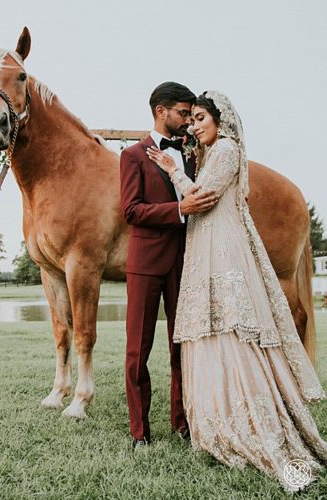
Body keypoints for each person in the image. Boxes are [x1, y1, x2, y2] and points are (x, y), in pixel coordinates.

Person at [146, 90, 327, 492]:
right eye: (190, 120)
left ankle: (252, 421)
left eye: (200, 119)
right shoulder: (214, 152)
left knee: (231, 325)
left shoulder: (226, 149)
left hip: (222, 246)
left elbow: (199, 198)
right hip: (207, 243)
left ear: (219, 120)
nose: (194, 126)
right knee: (211, 326)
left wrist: (172, 169)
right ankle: (215, 417)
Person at [120, 82, 219, 449]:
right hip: (145, 264)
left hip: (186, 264)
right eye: (182, 113)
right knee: (137, 351)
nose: (188, 122)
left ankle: (182, 422)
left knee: (183, 347)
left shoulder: (192, 155)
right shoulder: (132, 156)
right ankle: (139, 431)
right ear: (161, 111)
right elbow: (131, 211)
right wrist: (179, 210)